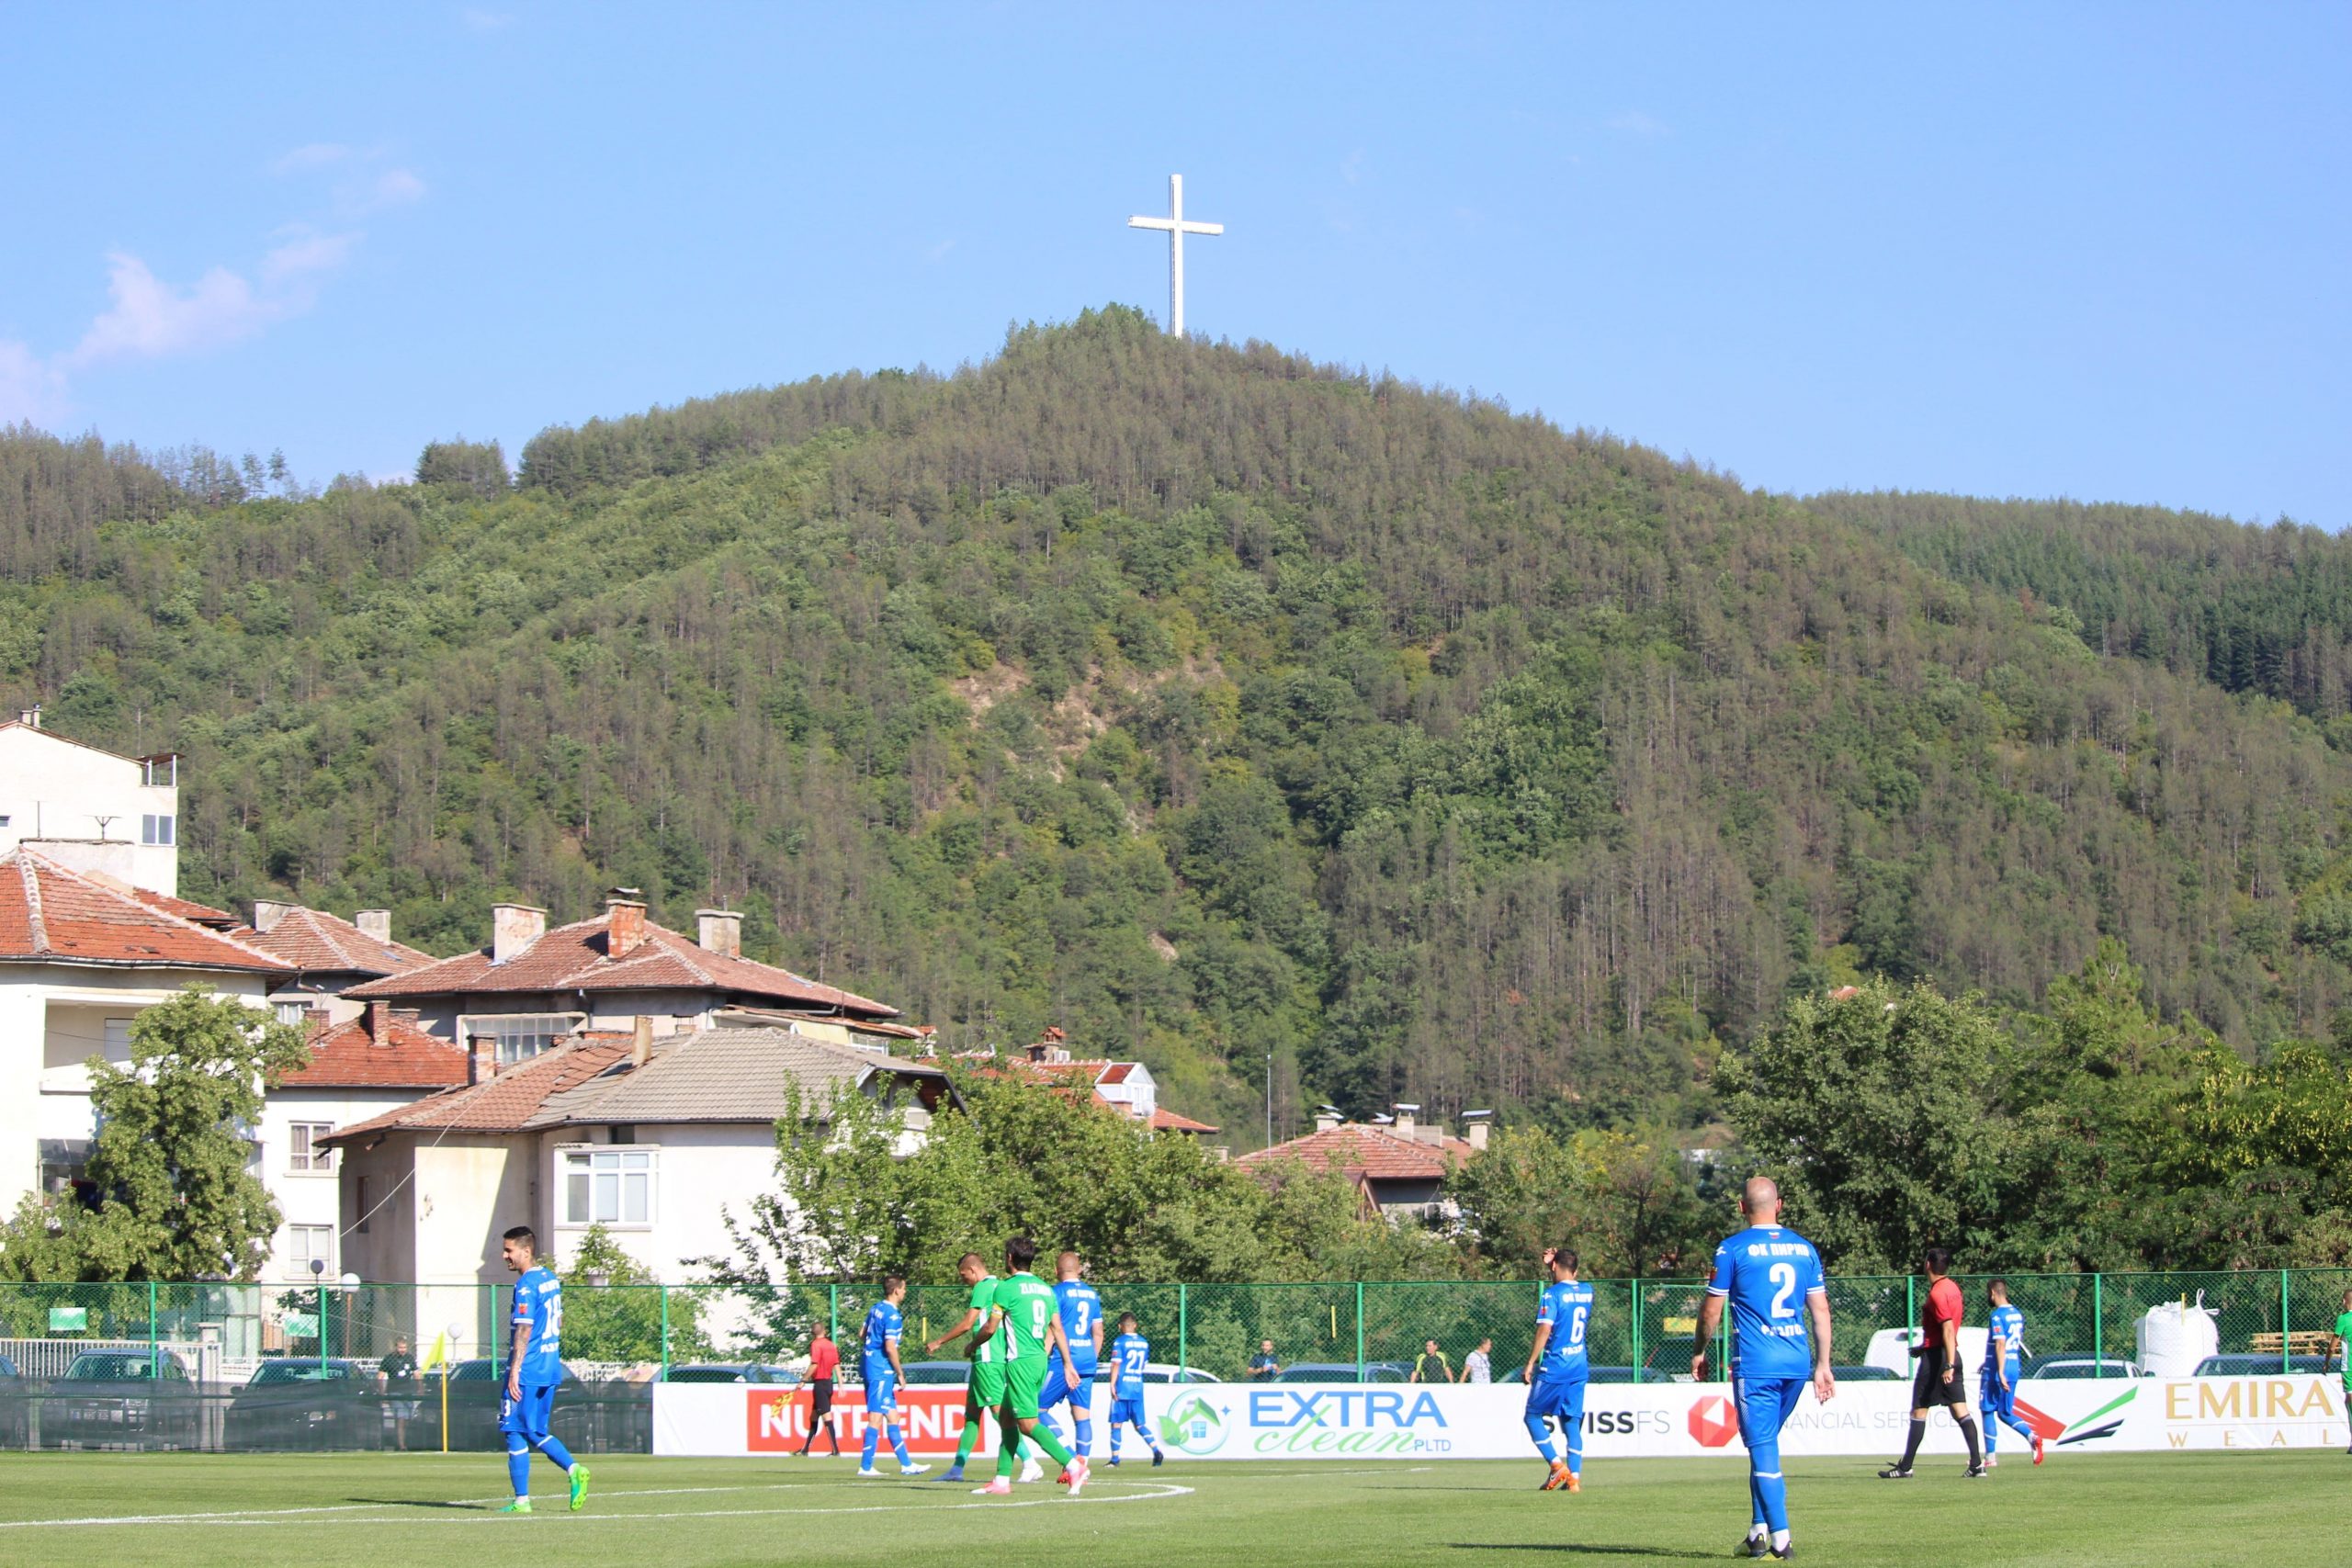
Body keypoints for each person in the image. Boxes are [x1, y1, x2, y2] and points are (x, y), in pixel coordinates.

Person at [1693, 1177, 1836, 1562]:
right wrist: (1823, 1364)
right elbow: (1820, 1310)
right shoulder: (1805, 1249)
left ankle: (1781, 1539)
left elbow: (1711, 1311)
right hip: (1796, 1361)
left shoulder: (1731, 1249)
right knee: (1764, 1447)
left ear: (1742, 1208)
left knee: (1763, 1450)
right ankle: (1757, 1533)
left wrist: (1700, 1350)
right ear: (1780, 1205)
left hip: (1756, 1364)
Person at [968, 1235, 1088, 1498]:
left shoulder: (1006, 1288)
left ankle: (1072, 1465)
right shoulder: (1046, 1289)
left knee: (1028, 1424)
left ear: (1009, 1258)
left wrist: (971, 1345)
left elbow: (990, 1327)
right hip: (1039, 1361)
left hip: (1020, 1363)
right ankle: (1001, 1480)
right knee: (1008, 1420)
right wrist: (1068, 1364)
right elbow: (1057, 1329)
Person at [496, 1225, 588, 1514]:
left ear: (526, 1251)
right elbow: (558, 1322)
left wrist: (514, 1370)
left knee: (512, 1428)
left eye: (509, 1250)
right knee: (533, 1429)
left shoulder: (526, 1285)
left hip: (528, 1369)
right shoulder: (550, 1279)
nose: (505, 1256)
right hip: (549, 1366)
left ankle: (527, 1498)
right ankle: (570, 1472)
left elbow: (524, 1328)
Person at [1881, 1247, 1985, 1480]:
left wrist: (1947, 1364)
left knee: (1919, 1409)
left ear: (1928, 1264)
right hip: (1949, 1353)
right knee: (1960, 1410)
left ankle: (1905, 1467)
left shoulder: (1938, 1293)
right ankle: (1977, 1464)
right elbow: (1945, 1330)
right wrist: (1928, 1347)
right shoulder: (1953, 1288)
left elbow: (1948, 1328)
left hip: (1939, 1359)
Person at [925, 1252, 1021, 1483]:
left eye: (963, 1275)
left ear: (974, 1270)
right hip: (992, 1357)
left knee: (1001, 1414)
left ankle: (1029, 1462)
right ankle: (957, 1469)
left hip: (987, 1358)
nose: (963, 1280)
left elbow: (968, 1323)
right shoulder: (1002, 1285)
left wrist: (939, 1341)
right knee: (972, 1416)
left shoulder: (983, 1287)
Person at [1524, 1247, 1593, 1494]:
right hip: (1579, 1365)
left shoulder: (1551, 1295)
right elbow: (1568, 1287)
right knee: (1571, 1422)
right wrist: (1552, 1265)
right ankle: (1573, 1478)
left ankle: (1556, 1465)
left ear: (1554, 1266)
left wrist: (1531, 1361)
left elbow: (1545, 1329)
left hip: (1555, 1365)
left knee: (1532, 1416)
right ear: (1577, 1269)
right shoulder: (1588, 1291)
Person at [854, 1277, 928, 1476]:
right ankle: (866, 1467)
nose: (905, 1292)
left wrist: (871, 1348)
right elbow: (890, 1346)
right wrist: (900, 1373)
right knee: (875, 1417)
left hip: (870, 1364)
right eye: (904, 1288)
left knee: (892, 1416)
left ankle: (906, 1464)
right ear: (896, 1290)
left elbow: (862, 1333)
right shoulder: (893, 1316)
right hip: (881, 1370)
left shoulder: (875, 1308)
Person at [1035, 1251, 1102, 1461]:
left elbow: (1052, 1330)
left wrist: (1042, 1359)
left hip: (1062, 1361)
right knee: (1082, 1416)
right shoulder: (1092, 1295)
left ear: (1056, 1271)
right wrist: (1091, 1358)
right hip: (1087, 1360)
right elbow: (1098, 1333)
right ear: (1080, 1269)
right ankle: (1084, 1462)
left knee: (1036, 1409)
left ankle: (1072, 1459)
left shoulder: (1055, 1293)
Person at [1977, 1279, 2041, 1467]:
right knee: (2005, 1412)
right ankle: (2032, 1436)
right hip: (2014, 1365)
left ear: (1992, 1293)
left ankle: (1990, 1458)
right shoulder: (2017, 1314)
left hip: (1999, 1370)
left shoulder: (1997, 1315)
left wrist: (1999, 1371)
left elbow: (2000, 1343)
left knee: (1987, 1409)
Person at [1103, 1314, 1163, 1466]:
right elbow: (1143, 1365)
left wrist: (1112, 1383)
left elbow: (1116, 1364)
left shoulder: (1119, 1341)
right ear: (1135, 1325)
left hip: (1122, 1387)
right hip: (1137, 1387)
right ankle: (1156, 1450)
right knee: (1140, 1425)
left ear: (1120, 1326)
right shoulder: (1144, 1343)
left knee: (1116, 1424)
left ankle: (1115, 1459)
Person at [797, 1324, 841, 1457]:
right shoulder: (831, 1345)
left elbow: (814, 1364)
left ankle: (835, 1450)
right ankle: (805, 1449)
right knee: (814, 1415)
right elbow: (836, 1364)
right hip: (828, 1383)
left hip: (820, 1384)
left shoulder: (816, 1345)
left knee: (826, 1415)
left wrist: (803, 1380)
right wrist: (841, 1383)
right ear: (825, 1331)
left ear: (812, 1332)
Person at [378, 1333, 420, 1452]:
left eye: (405, 1348)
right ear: (396, 1347)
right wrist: (382, 1393)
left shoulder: (410, 1358)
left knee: (407, 1419)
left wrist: (420, 1388)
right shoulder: (388, 1359)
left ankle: (402, 1441)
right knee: (401, 1418)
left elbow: (417, 1373)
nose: (403, 1350)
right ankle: (402, 1445)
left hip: (408, 1393)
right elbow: (380, 1376)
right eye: (400, 1348)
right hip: (394, 1392)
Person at [2333, 1289, 2352, 1455]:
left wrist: (2326, 1362)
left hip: (2349, 1368)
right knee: (2349, 1401)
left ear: (2344, 1301)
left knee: (2351, 1402)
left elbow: (2333, 1344)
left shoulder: (2343, 1319)